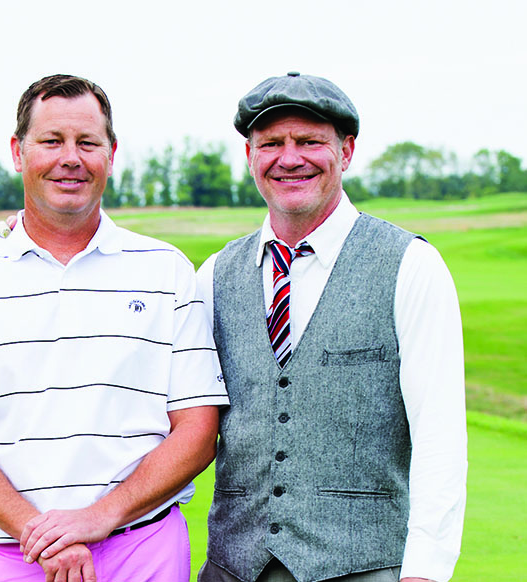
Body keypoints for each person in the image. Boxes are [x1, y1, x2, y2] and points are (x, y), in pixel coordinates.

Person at [0, 74, 229, 582]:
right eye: (51, 141)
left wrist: (99, 517)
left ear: (111, 152)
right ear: (18, 152)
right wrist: (42, 535)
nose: (70, 158)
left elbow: (196, 428)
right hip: (7, 555)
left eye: (87, 142)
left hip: (141, 549)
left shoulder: (167, 269)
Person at [195, 73, 467, 582]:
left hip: (364, 568)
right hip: (233, 568)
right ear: (249, 156)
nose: (289, 157)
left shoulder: (410, 264)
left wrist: (426, 571)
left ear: (346, 152)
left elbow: (440, 435)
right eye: (271, 143)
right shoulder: (214, 274)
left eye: (310, 142)